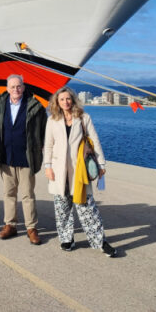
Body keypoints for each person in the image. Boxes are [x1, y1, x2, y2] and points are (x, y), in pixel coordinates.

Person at [43, 86, 117, 257]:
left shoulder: (84, 118)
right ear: (57, 102)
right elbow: (48, 145)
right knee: (62, 208)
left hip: (79, 170)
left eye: (68, 98)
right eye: (62, 99)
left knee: (88, 209)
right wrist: (47, 166)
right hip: (59, 170)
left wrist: (101, 164)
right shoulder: (52, 120)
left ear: (73, 100)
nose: (65, 102)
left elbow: (94, 141)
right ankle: (66, 239)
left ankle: (100, 241)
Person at [0, 74, 47, 245]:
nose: (16, 89)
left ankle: (31, 228)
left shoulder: (35, 106)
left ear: (23, 87)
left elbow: (43, 129)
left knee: (28, 194)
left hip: (26, 157)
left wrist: (39, 147)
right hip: (6, 155)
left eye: (19, 86)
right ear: (7, 88)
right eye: (12, 86)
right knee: (9, 193)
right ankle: (10, 225)